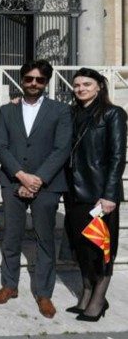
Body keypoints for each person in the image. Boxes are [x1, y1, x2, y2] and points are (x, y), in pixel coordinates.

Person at [0, 60, 71, 319]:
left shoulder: (60, 110)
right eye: (28, 79)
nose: (33, 84)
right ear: (21, 80)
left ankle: (44, 292)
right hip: (13, 179)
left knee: (44, 239)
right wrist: (22, 176)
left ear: (46, 82)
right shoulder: (6, 111)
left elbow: (62, 149)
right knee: (11, 237)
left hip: (46, 184)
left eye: (39, 79)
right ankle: (9, 285)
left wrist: (38, 179)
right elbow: (1, 146)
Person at [64, 68, 126, 321]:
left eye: (87, 84)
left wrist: (110, 194)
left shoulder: (113, 114)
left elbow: (117, 156)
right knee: (82, 247)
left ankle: (98, 300)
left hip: (99, 194)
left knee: (100, 249)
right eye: (77, 85)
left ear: (99, 86)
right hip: (73, 192)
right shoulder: (72, 113)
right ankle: (86, 293)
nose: (81, 89)